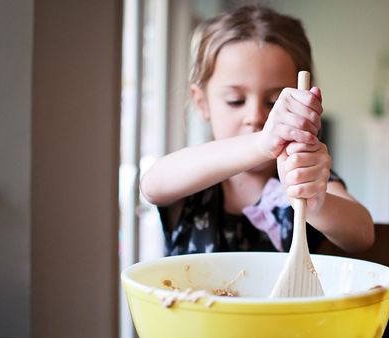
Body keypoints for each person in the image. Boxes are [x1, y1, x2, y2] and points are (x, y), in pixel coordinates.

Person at [140, 4, 373, 258]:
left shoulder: (304, 175)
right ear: (202, 103)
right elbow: (152, 185)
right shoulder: (192, 178)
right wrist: (262, 143)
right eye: (235, 101)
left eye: (274, 103)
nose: (255, 117)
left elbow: (362, 236)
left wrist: (318, 204)